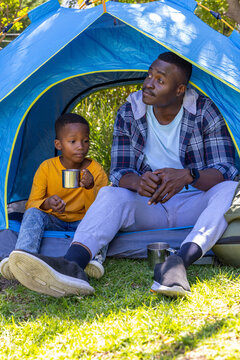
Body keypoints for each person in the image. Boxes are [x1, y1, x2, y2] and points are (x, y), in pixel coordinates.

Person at [7, 52, 238, 298]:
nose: (148, 83)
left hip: (193, 203)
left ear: (180, 89)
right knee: (110, 193)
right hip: (150, 205)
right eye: (150, 75)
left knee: (229, 190)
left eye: (160, 80)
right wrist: (139, 182)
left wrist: (188, 176)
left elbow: (225, 170)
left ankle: (178, 262)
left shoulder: (204, 111)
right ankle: (72, 265)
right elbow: (119, 172)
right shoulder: (131, 110)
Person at [0, 113, 108, 284]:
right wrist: (47, 203)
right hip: (54, 219)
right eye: (73, 141)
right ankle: (24, 256)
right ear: (58, 145)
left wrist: (89, 187)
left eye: (85, 141)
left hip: (83, 221)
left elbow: (102, 209)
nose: (80, 146)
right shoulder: (47, 168)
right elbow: (31, 204)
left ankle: (93, 259)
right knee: (33, 213)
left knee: (104, 221)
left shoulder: (95, 170)